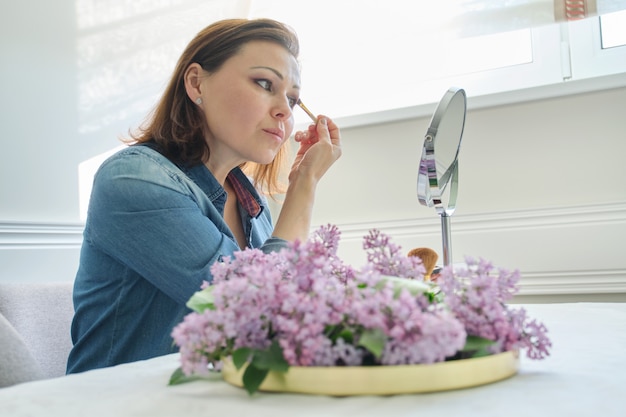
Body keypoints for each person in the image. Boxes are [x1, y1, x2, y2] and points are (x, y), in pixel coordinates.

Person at [66, 18, 342, 374]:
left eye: (292, 99)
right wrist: (305, 182)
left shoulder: (252, 206)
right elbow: (261, 312)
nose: (285, 111)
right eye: (264, 83)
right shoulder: (134, 179)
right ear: (197, 83)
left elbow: (286, 327)